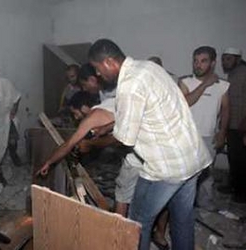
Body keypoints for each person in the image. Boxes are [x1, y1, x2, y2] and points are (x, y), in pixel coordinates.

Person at [88, 39, 211, 250]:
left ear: (109, 62)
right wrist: (108, 126)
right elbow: (146, 110)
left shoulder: (129, 85)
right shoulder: (148, 67)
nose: (98, 75)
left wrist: (93, 145)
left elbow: (124, 139)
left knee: (137, 223)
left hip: (167, 168)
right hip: (192, 160)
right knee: (182, 220)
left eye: (98, 69)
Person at [179, 46, 229, 209]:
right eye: (195, 61)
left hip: (208, 136)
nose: (198, 65)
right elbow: (185, 103)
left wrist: (222, 132)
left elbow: (226, 110)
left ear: (213, 63)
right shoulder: (185, 82)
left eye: (203, 61)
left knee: (207, 174)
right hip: (187, 135)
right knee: (184, 173)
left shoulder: (223, 86)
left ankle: (204, 202)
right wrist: (205, 85)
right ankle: (184, 205)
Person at [219, 47, 246, 203]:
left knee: (241, 160)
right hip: (232, 124)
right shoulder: (233, 73)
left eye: (228, 58)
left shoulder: (243, 73)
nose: (225, 61)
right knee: (234, 158)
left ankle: (242, 193)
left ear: (237, 58)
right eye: (224, 58)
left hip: (241, 126)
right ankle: (234, 186)